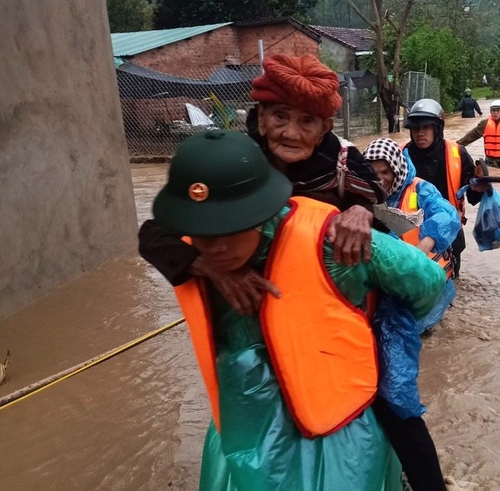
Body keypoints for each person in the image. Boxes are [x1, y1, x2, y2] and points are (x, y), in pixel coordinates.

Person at [152, 129, 447, 490]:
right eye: (202, 233)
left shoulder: (335, 242)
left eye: (229, 229)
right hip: (247, 416)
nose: (215, 248)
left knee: (401, 428)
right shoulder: (187, 249)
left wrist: (383, 326)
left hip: (339, 415)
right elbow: (153, 236)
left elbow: (427, 281)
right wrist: (202, 265)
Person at [138, 53, 386, 316]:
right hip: (259, 301)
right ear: (262, 119)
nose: (291, 133)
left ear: (324, 128)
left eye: (307, 121)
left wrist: (361, 209)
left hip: (328, 298)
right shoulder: (232, 161)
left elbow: (368, 204)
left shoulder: (343, 160)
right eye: (280, 116)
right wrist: (210, 267)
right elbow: (153, 235)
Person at [363, 137, 462, 490]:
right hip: (381, 290)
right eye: (372, 173)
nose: (380, 179)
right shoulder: (362, 197)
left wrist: (423, 247)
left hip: (416, 289)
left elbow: (447, 215)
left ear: (396, 169)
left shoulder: (420, 190)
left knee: (397, 388)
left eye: (384, 172)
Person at [403, 98, 486, 279]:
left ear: (437, 129)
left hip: (449, 231)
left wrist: (479, 186)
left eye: (425, 128)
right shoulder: (400, 155)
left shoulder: (457, 153)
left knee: (449, 282)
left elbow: (472, 197)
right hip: (410, 233)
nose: (420, 133)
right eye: (415, 129)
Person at [456, 99, 500, 169]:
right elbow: (472, 135)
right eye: (493, 110)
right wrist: (457, 145)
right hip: (489, 161)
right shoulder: (484, 123)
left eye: (498, 110)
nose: (495, 113)